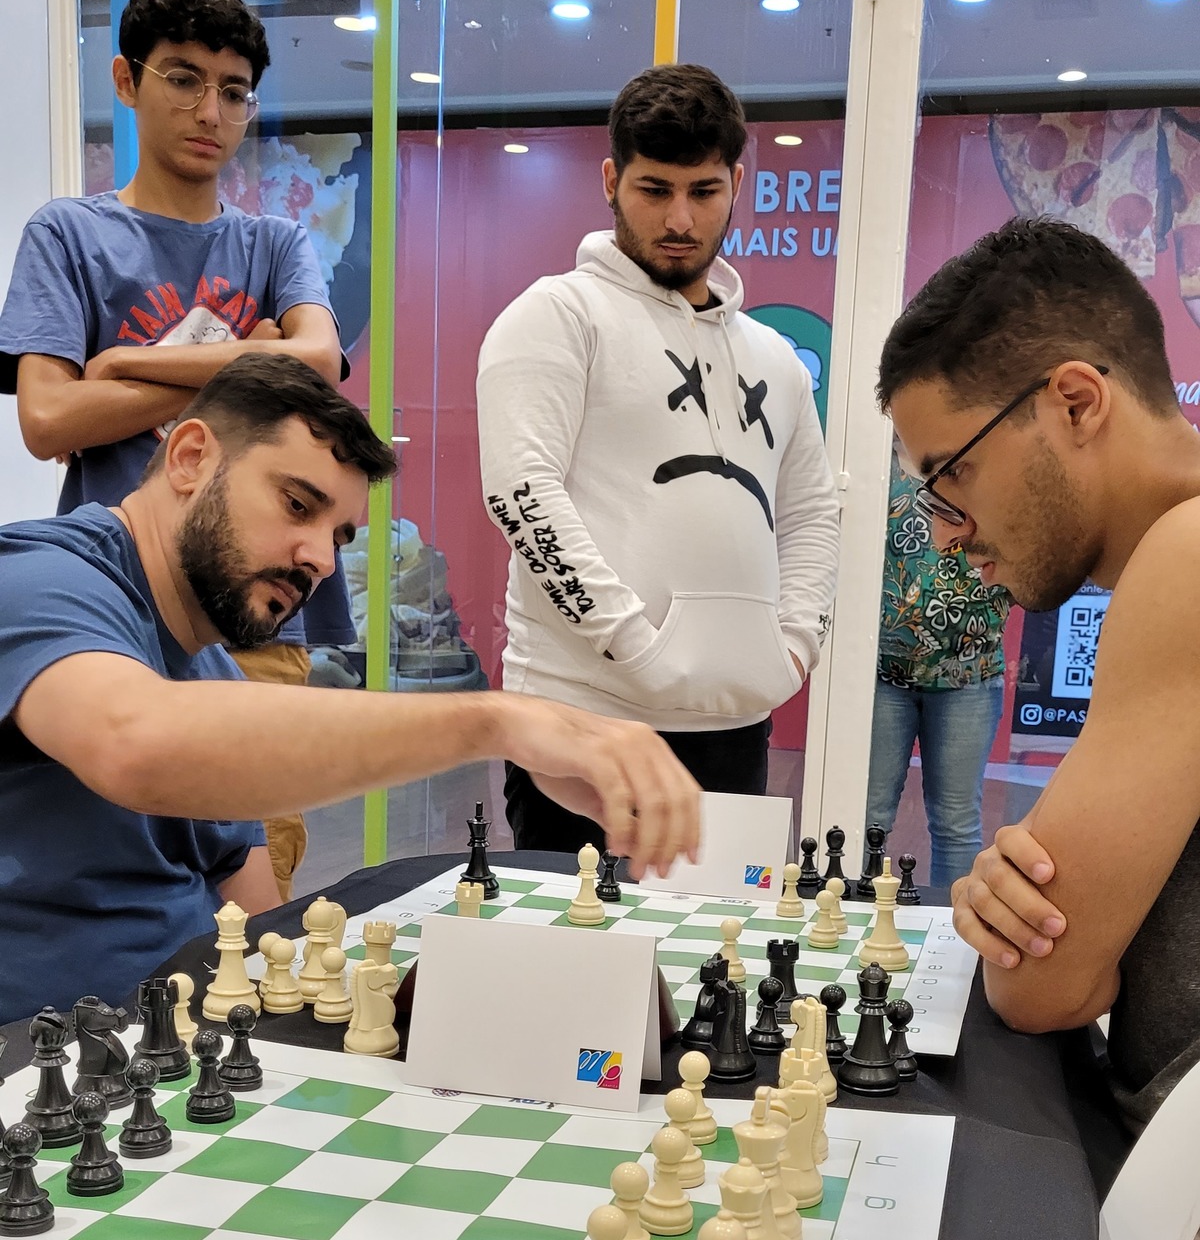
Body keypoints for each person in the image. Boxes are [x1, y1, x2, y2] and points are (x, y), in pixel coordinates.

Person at [0, 354, 701, 1024]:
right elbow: (135, 743)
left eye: (338, 537)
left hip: (185, 1046)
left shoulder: (214, 671)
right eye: (295, 504)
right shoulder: (36, 580)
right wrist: (497, 723)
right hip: (45, 1065)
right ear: (190, 458)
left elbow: (261, 929)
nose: (320, 562)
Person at [877, 214, 1200, 1240]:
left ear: (1074, 401)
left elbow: (1043, 983)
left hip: (1179, 1225)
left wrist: (1018, 907)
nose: (947, 537)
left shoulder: (1190, 555)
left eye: (951, 475)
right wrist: (1006, 894)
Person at [0, 0, 357, 903]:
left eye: (234, 91)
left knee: (254, 895)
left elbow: (316, 360)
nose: (210, 111)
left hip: (258, 607)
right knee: (119, 867)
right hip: (110, 606)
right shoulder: (68, 235)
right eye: (184, 78)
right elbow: (46, 419)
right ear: (127, 79)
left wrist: (121, 364)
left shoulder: (275, 243)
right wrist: (253, 360)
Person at [476, 62, 840, 851]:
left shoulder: (775, 357)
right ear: (612, 181)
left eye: (704, 191)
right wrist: (638, 646)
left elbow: (812, 511)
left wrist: (795, 646)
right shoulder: (556, 315)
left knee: (721, 931)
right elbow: (521, 492)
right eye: (654, 189)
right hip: (585, 716)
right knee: (578, 928)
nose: (680, 218)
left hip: (736, 720)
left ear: (736, 185)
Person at [865, 460, 1009, 888]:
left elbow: (1027, 549)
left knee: (956, 822)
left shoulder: (995, 465)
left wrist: (993, 605)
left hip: (970, 674)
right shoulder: (875, 460)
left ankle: (954, 928)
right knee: (868, 816)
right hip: (880, 671)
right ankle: (851, 915)